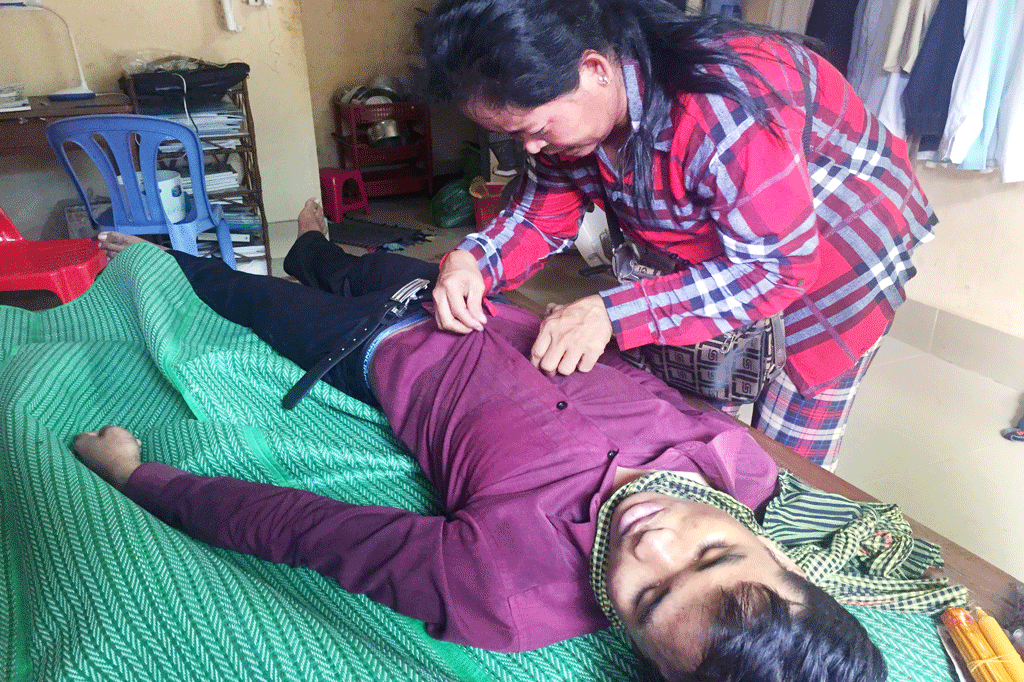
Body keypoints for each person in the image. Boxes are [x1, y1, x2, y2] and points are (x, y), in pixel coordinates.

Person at [76, 202, 889, 681]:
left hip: (373, 348)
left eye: (649, 597)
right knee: (352, 263)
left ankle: (164, 257)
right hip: (470, 305)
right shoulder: (742, 466)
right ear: (773, 551)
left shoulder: (502, 589)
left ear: (641, 652)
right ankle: (314, 244)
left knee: (248, 296)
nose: (655, 541)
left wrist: (139, 477)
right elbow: (647, 386)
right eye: (711, 554)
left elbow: (310, 532)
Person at [418, 0, 938, 470]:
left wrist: (611, 314)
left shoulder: (720, 104)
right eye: (515, 136)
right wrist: (473, 261)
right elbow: (538, 216)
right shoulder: (569, 122)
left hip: (836, 251)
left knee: (785, 460)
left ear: (595, 70)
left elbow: (774, 268)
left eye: (536, 129)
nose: (531, 149)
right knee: (704, 415)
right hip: (740, 249)